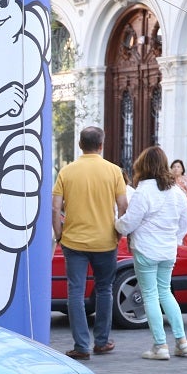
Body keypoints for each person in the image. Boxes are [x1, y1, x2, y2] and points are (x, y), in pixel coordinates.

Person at [52, 126, 129, 360]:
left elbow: (55, 207)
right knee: (105, 289)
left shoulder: (67, 171)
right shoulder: (114, 171)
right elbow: (124, 206)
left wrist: (59, 234)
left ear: (79, 145)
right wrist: (119, 233)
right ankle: (102, 342)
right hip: (105, 241)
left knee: (75, 291)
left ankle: (81, 346)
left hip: (73, 242)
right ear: (101, 145)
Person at [115, 147, 187, 360]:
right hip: (168, 250)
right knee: (165, 292)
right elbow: (185, 222)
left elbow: (129, 223)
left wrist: (117, 225)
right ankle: (182, 341)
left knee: (149, 295)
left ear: (143, 165)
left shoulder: (143, 191)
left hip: (146, 250)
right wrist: (174, 239)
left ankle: (160, 346)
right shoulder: (177, 192)